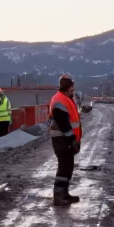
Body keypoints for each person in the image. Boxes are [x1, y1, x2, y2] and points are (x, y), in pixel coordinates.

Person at [48, 74, 82, 206]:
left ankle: (64, 194)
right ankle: (59, 196)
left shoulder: (65, 98)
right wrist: (72, 139)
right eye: (72, 85)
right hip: (62, 139)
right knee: (64, 167)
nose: (74, 88)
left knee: (67, 167)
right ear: (68, 87)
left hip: (65, 139)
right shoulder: (59, 100)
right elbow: (64, 124)